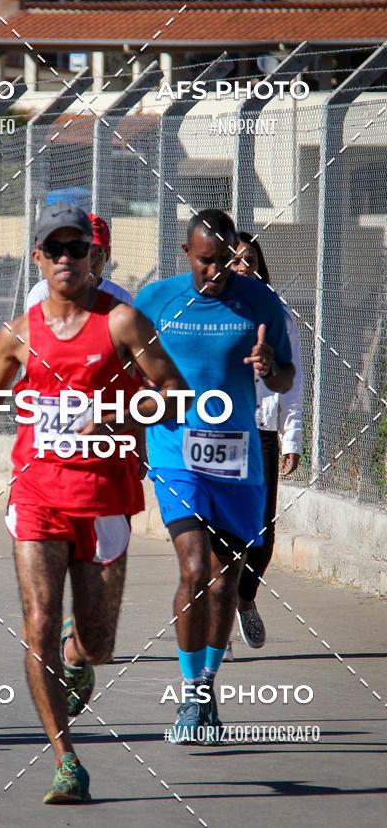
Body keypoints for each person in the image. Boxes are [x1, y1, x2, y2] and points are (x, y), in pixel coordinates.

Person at [0, 201, 187, 802]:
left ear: (92, 255)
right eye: (53, 249)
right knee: (37, 620)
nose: (65, 259)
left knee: (100, 642)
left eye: (75, 248)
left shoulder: (122, 323)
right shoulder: (20, 333)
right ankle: (66, 761)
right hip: (37, 494)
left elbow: (177, 396)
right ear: (38, 258)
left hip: (105, 495)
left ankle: (78, 657)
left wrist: (120, 411)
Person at [134, 209, 295, 744]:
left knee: (225, 580)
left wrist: (270, 366)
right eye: (206, 260)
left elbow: (287, 373)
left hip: (236, 456)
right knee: (194, 566)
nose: (216, 271)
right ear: (187, 254)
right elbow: (125, 371)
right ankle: (189, 695)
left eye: (225, 260)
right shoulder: (156, 300)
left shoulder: (258, 300)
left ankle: (205, 692)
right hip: (176, 452)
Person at [223, 231, 303, 657]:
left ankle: (244, 596)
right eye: (235, 260)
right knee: (220, 532)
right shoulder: (211, 312)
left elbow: (293, 380)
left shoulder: (279, 315)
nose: (243, 267)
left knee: (261, 535)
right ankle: (216, 627)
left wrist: (292, 436)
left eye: (250, 259)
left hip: (262, 432)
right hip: (219, 431)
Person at [25, 212, 133, 309]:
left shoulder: (122, 299)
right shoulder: (43, 292)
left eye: (97, 252)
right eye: (83, 251)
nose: (90, 260)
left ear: (108, 254)